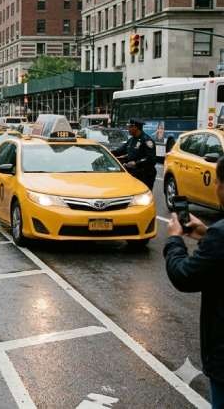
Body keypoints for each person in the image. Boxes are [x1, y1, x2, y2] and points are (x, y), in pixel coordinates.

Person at [165, 156, 224, 408]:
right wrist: (206, 234)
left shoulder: (220, 235)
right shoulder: (217, 235)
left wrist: (175, 241)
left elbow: (184, 275)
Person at [113, 118, 157, 189]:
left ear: (135, 127)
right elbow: (119, 151)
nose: (128, 129)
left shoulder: (147, 140)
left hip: (145, 174)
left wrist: (136, 163)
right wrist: (106, 153)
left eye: (130, 127)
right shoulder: (131, 140)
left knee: (143, 196)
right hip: (133, 173)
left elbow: (151, 159)